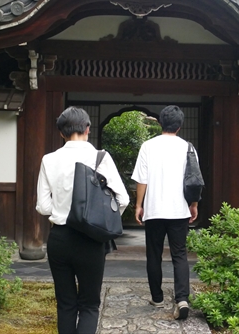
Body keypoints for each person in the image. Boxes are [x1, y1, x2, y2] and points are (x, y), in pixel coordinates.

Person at [36, 106, 129, 334]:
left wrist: (60, 209)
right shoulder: (100, 157)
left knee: (66, 304)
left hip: (59, 238)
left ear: (61, 133)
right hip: (91, 239)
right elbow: (123, 199)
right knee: (89, 304)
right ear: (88, 129)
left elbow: (43, 206)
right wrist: (103, 220)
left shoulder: (49, 159)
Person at [131, 105, 199, 320]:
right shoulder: (188, 148)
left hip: (154, 210)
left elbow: (142, 179)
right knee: (179, 255)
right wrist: (194, 204)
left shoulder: (148, 146)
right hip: (179, 210)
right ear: (180, 126)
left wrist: (139, 205)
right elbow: (194, 180)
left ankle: (157, 298)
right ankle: (182, 299)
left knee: (154, 254)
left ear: (160, 123)